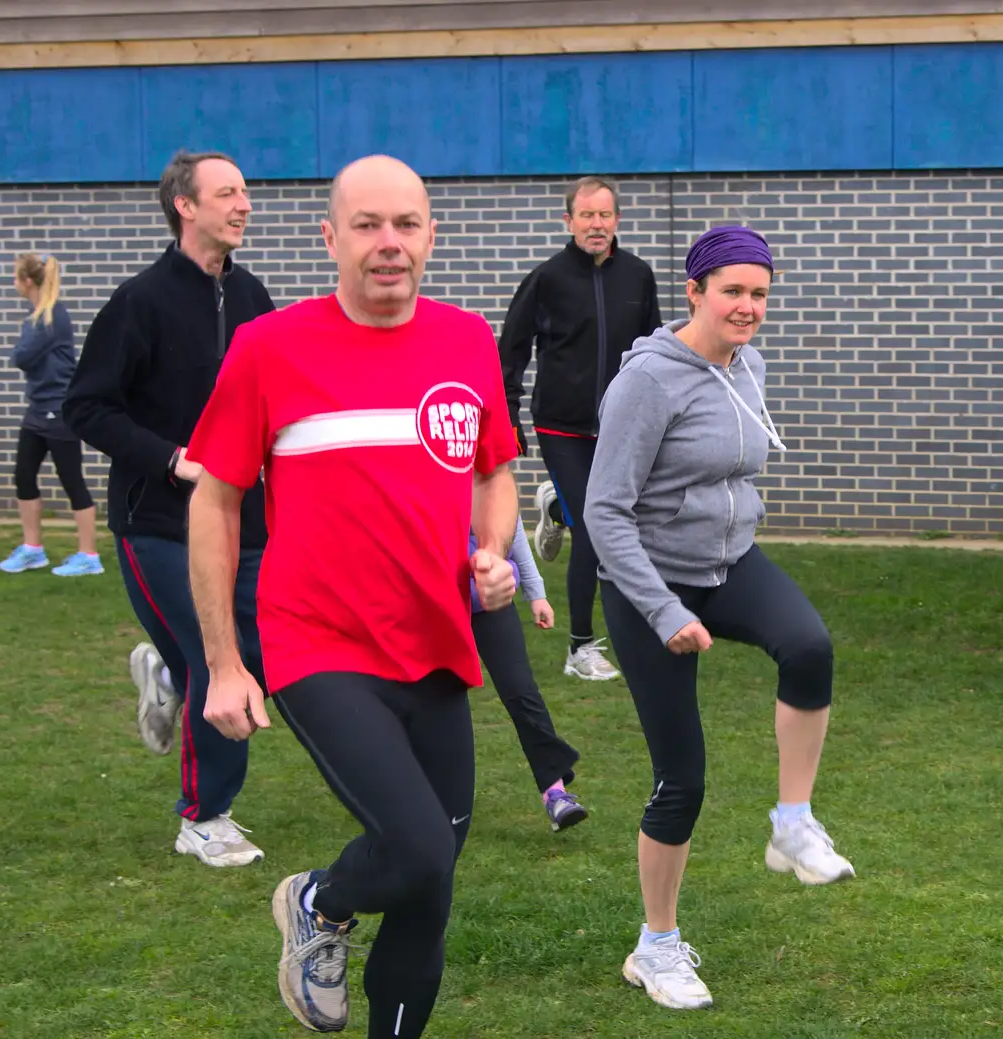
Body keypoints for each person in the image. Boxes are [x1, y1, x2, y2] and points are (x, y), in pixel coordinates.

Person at [185, 154, 521, 1038]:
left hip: (439, 643)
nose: (388, 244)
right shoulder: (270, 346)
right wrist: (223, 663)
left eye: (405, 225)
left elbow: (495, 473)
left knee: (433, 874)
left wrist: (491, 554)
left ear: (430, 237)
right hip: (317, 644)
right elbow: (215, 500)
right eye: (367, 225)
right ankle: (321, 903)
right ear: (330, 237)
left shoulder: (467, 340)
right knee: (414, 844)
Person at [586, 225, 855, 1011]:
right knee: (683, 779)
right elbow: (604, 510)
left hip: (728, 563)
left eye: (760, 294)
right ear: (695, 290)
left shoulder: (747, 365)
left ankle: (792, 824)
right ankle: (656, 947)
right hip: (647, 582)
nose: (747, 307)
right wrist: (665, 608)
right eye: (732, 290)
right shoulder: (649, 382)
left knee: (809, 646)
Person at [62, 149, 274, 864]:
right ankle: (204, 815)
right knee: (220, 662)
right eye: (228, 193)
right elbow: (86, 406)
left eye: (245, 192)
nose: (244, 204)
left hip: (248, 520)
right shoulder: (139, 301)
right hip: (158, 521)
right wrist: (170, 457)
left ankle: (164, 671)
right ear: (185, 206)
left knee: (257, 655)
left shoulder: (252, 299)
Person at [499, 174, 663, 683]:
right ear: (568, 220)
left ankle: (558, 508)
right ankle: (580, 648)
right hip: (561, 426)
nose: (597, 224)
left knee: (626, 523)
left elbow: (655, 350)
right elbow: (512, 347)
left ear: (617, 219)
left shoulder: (638, 275)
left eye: (605, 215)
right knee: (597, 528)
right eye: (587, 215)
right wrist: (507, 413)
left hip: (618, 426)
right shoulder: (547, 279)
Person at [467, 524, 589, 831]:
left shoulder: (482, 478)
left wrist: (536, 593)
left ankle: (556, 794)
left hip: (489, 600)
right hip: (431, 604)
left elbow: (512, 528)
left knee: (522, 692)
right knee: (432, 696)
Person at [0, 252, 101, 577]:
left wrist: (20, 349)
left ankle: (89, 556)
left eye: (16, 278)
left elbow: (21, 356)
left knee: (72, 482)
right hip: (37, 410)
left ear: (28, 281)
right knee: (23, 476)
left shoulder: (50, 318)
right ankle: (33, 550)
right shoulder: (37, 317)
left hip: (59, 411)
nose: (14, 284)